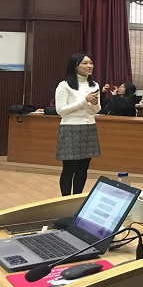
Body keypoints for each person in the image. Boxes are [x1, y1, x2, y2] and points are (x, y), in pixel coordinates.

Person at [55, 53, 101, 196]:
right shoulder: (64, 85)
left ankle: (77, 197)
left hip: (89, 127)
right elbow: (61, 110)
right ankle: (65, 199)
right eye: (85, 63)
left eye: (91, 63)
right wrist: (84, 101)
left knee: (83, 168)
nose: (90, 66)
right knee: (69, 168)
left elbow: (97, 110)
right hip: (70, 128)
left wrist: (94, 103)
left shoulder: (94, 85)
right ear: (75, 66)